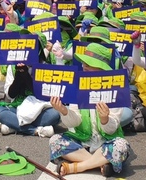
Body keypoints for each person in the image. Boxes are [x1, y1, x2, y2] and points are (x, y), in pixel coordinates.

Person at [48, 43, 132, 177]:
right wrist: (63, 110)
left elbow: (111, 129)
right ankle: (100, 164)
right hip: (82, 142)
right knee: (55, 140)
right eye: (83, 63)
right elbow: (73, 123)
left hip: (106, 142)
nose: (84, 66)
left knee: (121, 145)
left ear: (101, 68)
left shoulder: (116, 88)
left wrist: (105, 119)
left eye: (89, 64)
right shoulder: (79, 85)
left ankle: (77, 166)